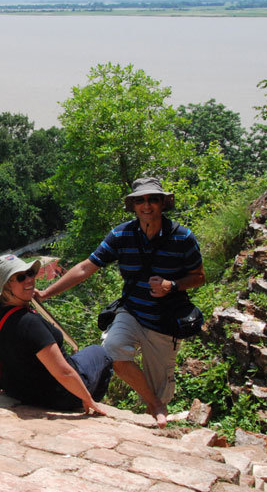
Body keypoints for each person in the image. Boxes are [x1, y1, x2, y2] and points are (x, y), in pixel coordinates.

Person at [36, 177, 205, 428]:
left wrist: (173, 285)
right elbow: (85, 268)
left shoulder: (183, 238)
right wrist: (47, 293)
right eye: (140, 200)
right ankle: (154, 405)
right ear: (133, 205)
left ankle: (158, 420)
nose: (146, 205)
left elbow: (200, 277)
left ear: (162, 203)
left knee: (161, 387)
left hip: (165, 319)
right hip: (132, 311)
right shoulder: (122, 234)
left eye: (153, 199)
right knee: (113, 349)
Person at [0, 254, 112, 415]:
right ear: (6, 287)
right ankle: (88, 401)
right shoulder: (30, 323)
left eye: (30, 273)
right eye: (20, 277)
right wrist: (86, 397)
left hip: (17, 389)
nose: (29, 280)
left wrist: (26, 292)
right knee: (101, 353)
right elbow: (64, 372)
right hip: (59, 395)